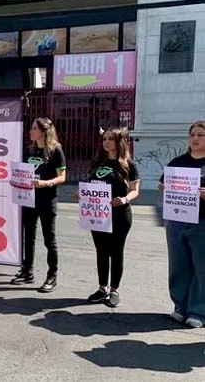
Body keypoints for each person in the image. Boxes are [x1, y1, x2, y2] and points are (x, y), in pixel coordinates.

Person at [78, 127, 140, 307]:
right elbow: (92, 186)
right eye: (104, 139)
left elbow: (135, 190)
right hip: (98, 215)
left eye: (110, 139)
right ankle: (102, 288)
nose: (106, 142)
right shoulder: (98, 162)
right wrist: (81, 195)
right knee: (101, 251)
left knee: (116, 252)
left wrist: (125, 198)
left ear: (118, 142)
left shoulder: (128, 164)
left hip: (120, 216)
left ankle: (114, 290)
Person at [10, 117, 66, 293]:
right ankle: (27, 271)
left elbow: (62, 177)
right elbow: (24, 172)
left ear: (43, 132)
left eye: (34, 128)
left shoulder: (56, 151)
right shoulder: (30, 150)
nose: (30, 131)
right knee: (29, 236)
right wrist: (17, 181)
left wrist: (45, 183)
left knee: (49, 239)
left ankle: (52, 276)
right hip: (29, 199)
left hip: (47, 200)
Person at [159, 120, 205, 328]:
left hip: (201, 222)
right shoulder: (178, 162)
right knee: (178, 265)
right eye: (193, 135)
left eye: (200, 135)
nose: (195, 138)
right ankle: (180, 306)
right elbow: (162, 185)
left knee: (201, 268)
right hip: (177, 221)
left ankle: (198, 311)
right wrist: (167, 187)